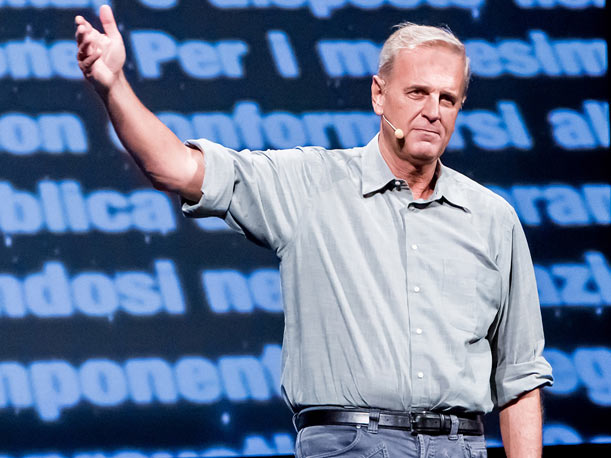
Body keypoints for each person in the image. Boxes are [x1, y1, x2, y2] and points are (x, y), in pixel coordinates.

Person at [75, 6, 553, 457]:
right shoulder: (311, 185)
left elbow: (520, 375)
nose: (433, 110)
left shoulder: (493, 218)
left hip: (460, 445)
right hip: (352, 444)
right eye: (417, 92)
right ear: (378, 94)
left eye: (448, 98)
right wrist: (113, 85)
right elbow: (177, 169)